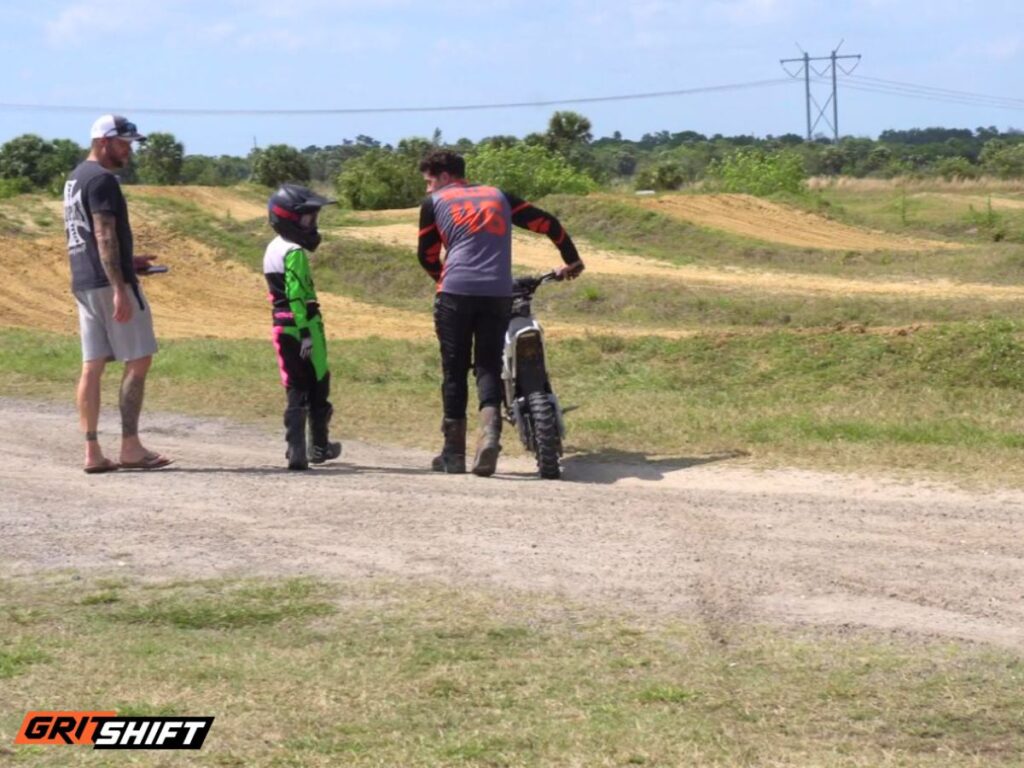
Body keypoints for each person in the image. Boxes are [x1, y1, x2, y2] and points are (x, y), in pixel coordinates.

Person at [417, 150, 584, 477]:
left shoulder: (434, 204)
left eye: (430, 181)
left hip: (455, 293)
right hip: (497, 293)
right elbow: (548, 223)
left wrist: (447, 280)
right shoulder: (499, 196)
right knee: (488, 365)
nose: (428, 189)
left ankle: (453, 454)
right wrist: (572, 260)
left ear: (446, 177)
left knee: (454, 371)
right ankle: (489, 436)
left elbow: (427, 255)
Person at [63, 114, 172, 474]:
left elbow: (88, 238)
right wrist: (120, 288)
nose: (129, 150)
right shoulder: (104, 180)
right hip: (110, 284)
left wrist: (129, 260)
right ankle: (130, 447)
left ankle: (92, 452)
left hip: (83, 280)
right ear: (103, 142)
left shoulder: (75, 178)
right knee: (139, 359)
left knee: (92, 366)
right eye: (123, 143)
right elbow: (104, 234)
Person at [263, 184, 342, 471]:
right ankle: (318, 446)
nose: (313, 224)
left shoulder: (272, 248)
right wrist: (307, 333)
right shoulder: (294, 251)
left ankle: (295, 448)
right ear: (289, 219)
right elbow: (297, 292)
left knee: (295, 387)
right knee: (318, 383)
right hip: (303, 324)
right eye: (308, 218)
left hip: (280, 326)